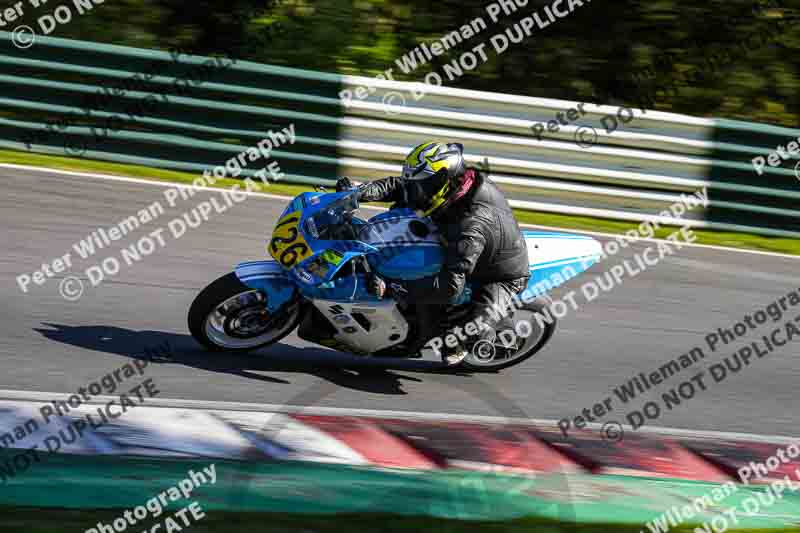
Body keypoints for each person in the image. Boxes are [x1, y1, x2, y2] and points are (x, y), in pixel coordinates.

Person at [335, 141, 530, 365]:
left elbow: (449, 287)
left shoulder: (470, 227)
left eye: (422, 186)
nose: (416, 192)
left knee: (468, 332)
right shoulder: (451, 189)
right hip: (460, 242)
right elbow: (401, 186)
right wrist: (359, 192)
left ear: (442, 182)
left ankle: (465, 339)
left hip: (499, 276)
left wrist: (391, 287)